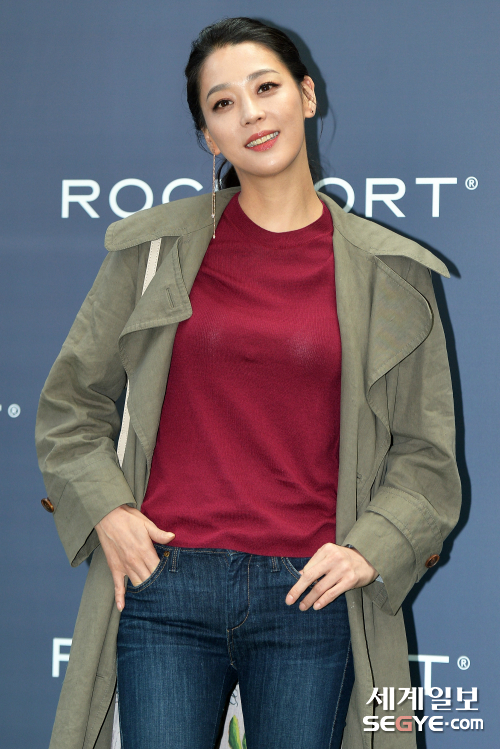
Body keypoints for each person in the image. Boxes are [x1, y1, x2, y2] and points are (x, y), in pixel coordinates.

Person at [35, 16, 461, 749]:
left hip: (309, 595)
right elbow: (70, 406)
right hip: (166, 586)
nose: (250, 113)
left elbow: (426, 456)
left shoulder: (391, 271)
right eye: (223, 103)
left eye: (265, 88)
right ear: (209, 136)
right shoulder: (154, 249)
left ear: (306, 95)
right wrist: (108, 508)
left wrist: (372, 545)